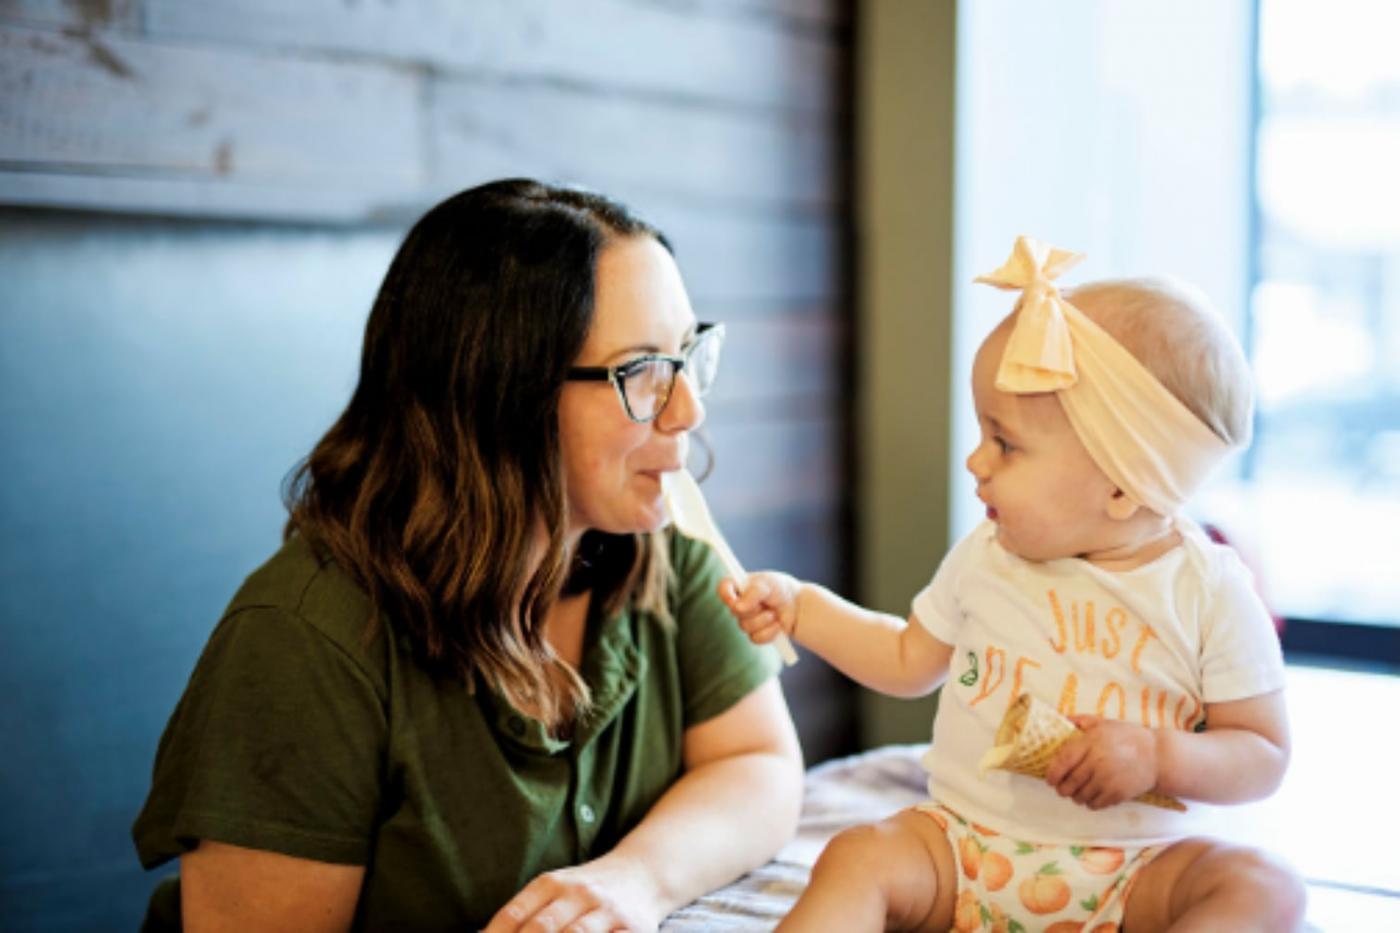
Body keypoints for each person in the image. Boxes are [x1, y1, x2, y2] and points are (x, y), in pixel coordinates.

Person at [132, 178, 804, 931]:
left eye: (687, 355)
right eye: (641, 371)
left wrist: (633, 881)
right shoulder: (301, 645)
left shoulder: (661, 544)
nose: (689, 409)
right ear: (501, 396)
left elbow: (759, 762)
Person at [724, 236, 1306, 931]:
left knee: (1266, 886)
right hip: (965, 850)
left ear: (1122, 487)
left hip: (1137, 867)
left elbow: (1262, 753)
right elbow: (908, 658)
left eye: (1005, 442)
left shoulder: (1207, 589)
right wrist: (803, 608)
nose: (976, 460)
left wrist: (1157, 755)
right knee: (859, 853)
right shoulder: (988, 556)